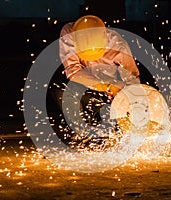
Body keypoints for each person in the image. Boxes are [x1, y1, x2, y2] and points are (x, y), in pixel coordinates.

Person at [49, 15, 141, 149]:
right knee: (61, 90)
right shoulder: (69, 33)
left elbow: (133, 80)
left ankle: (107, 130)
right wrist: (106, 86)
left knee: (110, 120)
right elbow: (73, 72)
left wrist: (122, 94)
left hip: (109, 95)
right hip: (85, 86)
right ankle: (84, 134)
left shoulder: (118, 44)